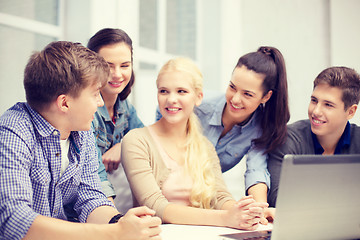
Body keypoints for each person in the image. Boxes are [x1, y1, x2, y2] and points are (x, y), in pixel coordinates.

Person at [0, 41, 161, 240]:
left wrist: (121, 222)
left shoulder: (81, 130)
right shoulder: (13, 130)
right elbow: (13, 220)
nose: (101, 102)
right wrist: (114, 233)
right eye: (95, 94)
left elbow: (91, 197)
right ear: (64, 103)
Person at [121, 57, 268, 230]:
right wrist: (225, 218)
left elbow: (220, 197)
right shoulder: (136, 141)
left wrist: (245, 212)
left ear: (198, 97)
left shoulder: (205, 146)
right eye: (164, 91)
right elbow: (155, 206)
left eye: (181, 91)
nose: (171, 99)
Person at [155, 46, 289, 221]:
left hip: (207, 201)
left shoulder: (261, 126)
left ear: (265, 97)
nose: (235, 99)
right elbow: (162, 115)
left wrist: (259, 209)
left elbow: (256, 170)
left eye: (247, 94)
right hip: (168, 197)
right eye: (232, 87)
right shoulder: (197, 104)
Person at [267, 66, 360, 207]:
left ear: (351, 112)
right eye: (314, 100)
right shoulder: (287, 139)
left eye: (328, 105)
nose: (316, 111)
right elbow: (278, 200)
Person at [87, 28, 143, 213]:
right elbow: (95, 173)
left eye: (125, 65)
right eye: (108, 66)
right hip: (92, 207)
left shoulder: (125, 108)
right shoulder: (87, 112)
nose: (117, 74)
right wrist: (114, 220)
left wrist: (123, 145)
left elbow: (147, 137)